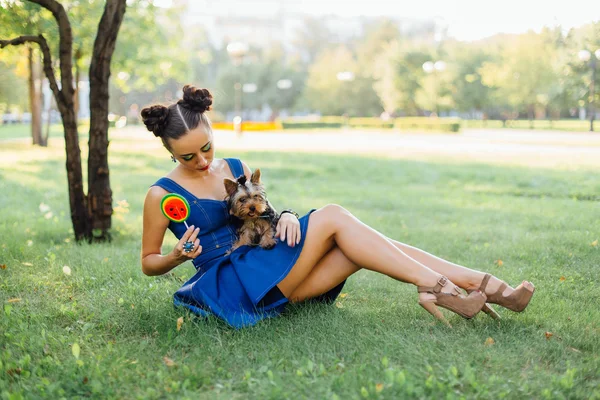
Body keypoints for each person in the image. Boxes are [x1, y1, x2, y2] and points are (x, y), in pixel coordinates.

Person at [140, 85, 535, 329]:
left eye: (207, 148)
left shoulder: (237, 169)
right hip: (230, 287)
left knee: (358, 245)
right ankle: (441, 287)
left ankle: (483, 286)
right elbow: (148, 262)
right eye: (189, 157)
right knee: (333, 216)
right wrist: (175, 256)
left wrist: (290, 215)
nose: (204, 162)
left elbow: (268, 214)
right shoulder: (161, 194)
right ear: (169, 150)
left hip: (270, 265)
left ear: (211, 130)